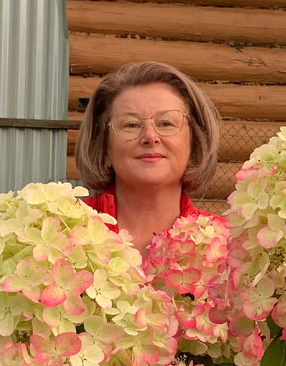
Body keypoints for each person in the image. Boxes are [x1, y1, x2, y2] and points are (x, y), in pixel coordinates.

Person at [74, 60, 221, 251]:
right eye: (131, 125)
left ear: (194, 143)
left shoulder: (226, 246)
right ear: (104, 146)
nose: (150, 137)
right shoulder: (65, 231)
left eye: (166, 123)